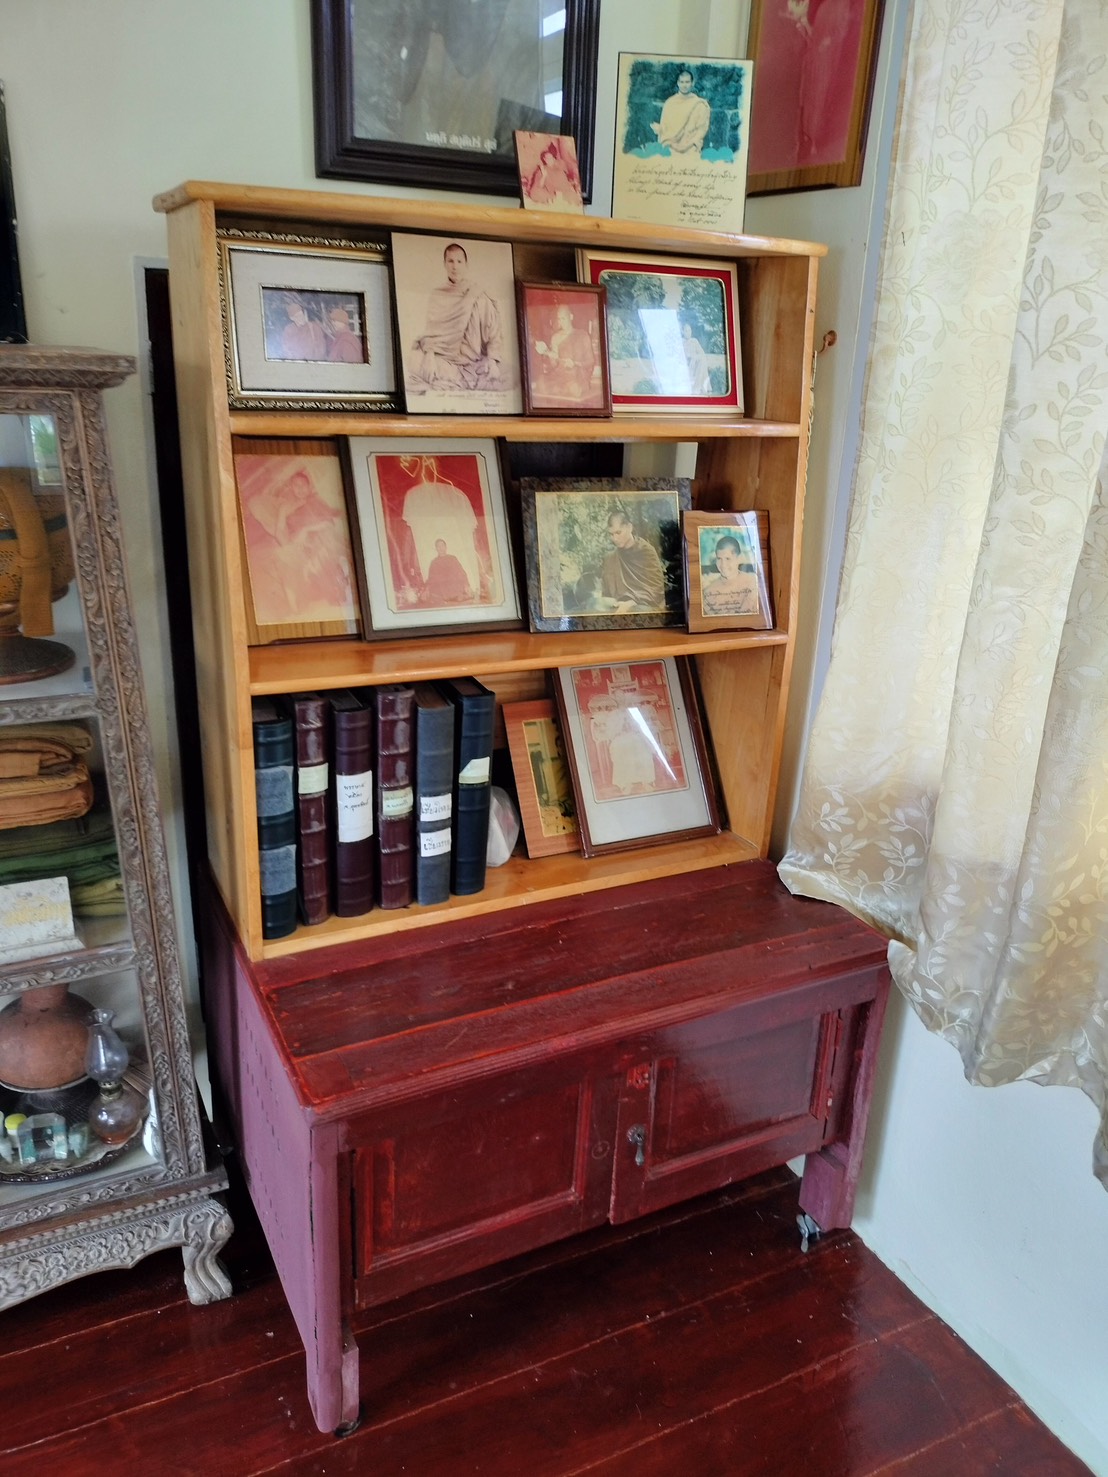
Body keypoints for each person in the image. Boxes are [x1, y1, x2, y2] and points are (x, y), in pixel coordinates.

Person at [407, 242, 505, 393]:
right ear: (445, 264)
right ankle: (462, 382)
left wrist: (492, 362)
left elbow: (494, 333)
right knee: (413, 361)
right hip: (446, 362)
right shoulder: (438, 295)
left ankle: (454, 382)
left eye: (459, 261)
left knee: (509, 374)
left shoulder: (478, 294)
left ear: (466, 265)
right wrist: (430, 356)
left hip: (474, 363)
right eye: (450, 261)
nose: (455, 267)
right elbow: (432, 334)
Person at [600, 510, 666, 612]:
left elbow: (656, 588)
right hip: (617, 604)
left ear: (629, 528)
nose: (615, 538)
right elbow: (606, 593)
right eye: (611, 534)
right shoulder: (610, 559)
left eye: (618, 532)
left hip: (643, 604)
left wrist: (632, 602)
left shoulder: (646, 551)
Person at [532, 304, 597, 403]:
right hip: (560, 375)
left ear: (571, 317)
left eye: (564, 318)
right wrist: (547, 353)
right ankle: (566, 388)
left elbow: (591, 361)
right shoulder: (555, 337)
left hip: (577, 375)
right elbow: (554, 365)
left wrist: (575, 363)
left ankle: (572, 387)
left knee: (574, 387)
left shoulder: (583, 335)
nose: (561, 322)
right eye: (559, 319)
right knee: (540, 382)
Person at [651, 69, 711, 156]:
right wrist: (661, 131)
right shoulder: (670, 103)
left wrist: (686, 146)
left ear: (692, 83)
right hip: (670, 145)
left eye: (687, 82)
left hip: (691, 147)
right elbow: (664, 128)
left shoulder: (699, 104)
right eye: (682, 82)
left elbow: (701, 130)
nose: (684, 85)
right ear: (678, 83)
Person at [701, 534, 759, 616]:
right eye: (719, 558)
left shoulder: (753, 583)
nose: (723, 564)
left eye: (728, 558)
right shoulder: (708, 592)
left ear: (739, 558)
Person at [524, 138, 583, 212]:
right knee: (534, 193)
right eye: (547, 158)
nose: (549, 159)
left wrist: (572, 185)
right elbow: (538, 187)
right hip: (551, 194)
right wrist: (544, 176)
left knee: (575, 198)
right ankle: (554, 200)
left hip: (564, 192)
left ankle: (560, 200)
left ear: (554, 158)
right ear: (544, 159)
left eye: (551, 157)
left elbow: (570, 176)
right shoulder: (541, 170)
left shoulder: (561, 164)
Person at [272, 294, 328, 361]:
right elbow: (286, 349)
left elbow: (322, 347)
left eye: (301, 314)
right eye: (297, 316)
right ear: (292, 318)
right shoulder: (289, 330)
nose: (301, 318)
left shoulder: (314, 327)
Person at [423, 537, 472, 604]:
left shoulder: (453, 558)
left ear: (446, 547)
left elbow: (461, 572)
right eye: (438, 546)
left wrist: (466, 585)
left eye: (442, 545)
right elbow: (431, 578)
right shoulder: (434, 562)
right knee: (433, 594)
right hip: (441, 589)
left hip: (454, 586)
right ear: (436, 549)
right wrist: (426, 589)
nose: (441, 548)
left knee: (464, 594)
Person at [681, 321, 712, 395]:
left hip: (696, 364)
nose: (688, 333)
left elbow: (702, 353)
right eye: (686, 331)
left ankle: (697, 388)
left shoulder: (694, 341)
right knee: (702, 362)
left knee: (702, 361)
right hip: (687, 365)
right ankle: (703, 388)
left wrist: (694, 358)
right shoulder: (681, 342)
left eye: (689, 330)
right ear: (683, 332)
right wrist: (691, 358)